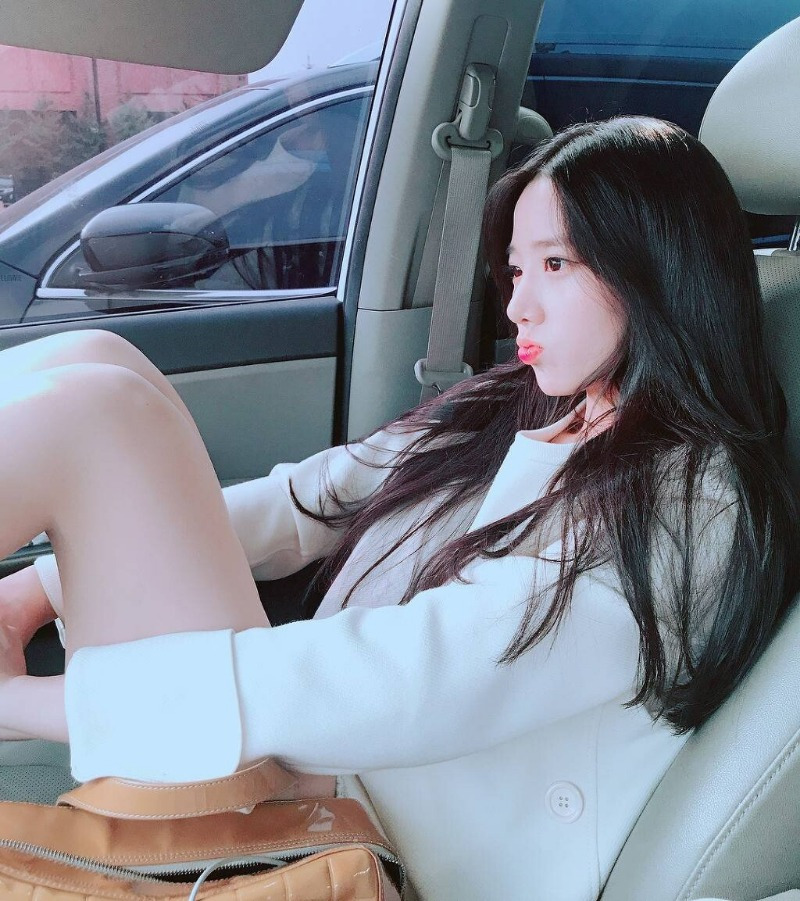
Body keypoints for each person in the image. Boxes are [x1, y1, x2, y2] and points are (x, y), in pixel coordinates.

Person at [0, 116, 796, 901]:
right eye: (516, 270)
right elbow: (319, 494)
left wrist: (29, 704)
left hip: (359, 856)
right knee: (100, 359)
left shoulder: (693, 504)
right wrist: (35, 590)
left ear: (657, 271)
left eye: (556, 264)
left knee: (94, 412)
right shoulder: (538, 402)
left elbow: (416, 675)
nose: (519, 306)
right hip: (325, 776)